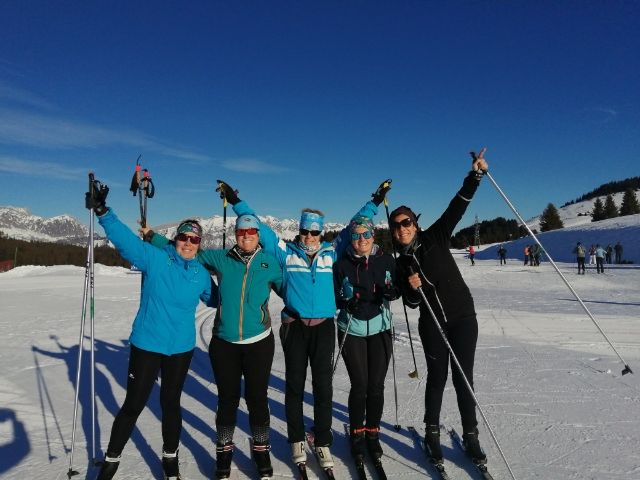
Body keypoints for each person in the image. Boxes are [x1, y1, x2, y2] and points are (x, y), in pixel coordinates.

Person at [216, 179, 388, 469]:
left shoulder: (332, 251)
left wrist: (375, 200)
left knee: (323, 387)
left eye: (314, 232)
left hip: (324, 327)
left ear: (321, 232)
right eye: (305, 231)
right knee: (294, 385)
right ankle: (296, 439)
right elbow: (258, 227)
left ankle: (322, 442)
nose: (309, 236)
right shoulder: (285, 252)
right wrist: (235, 201)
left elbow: (356, 224)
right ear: (300, 230)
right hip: (294, 326)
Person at [86, 179, 216, 480]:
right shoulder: (156, 259)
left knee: (171, 405)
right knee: (134, 404)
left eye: (194, 240)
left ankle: (170, 459)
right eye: (184, 237)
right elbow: (127, 243)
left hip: (181, 349)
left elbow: (218, 299)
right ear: (176, 239)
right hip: (147, 344)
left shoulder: (200, 275)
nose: (188, 243)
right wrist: (104, 211)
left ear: (199, 244)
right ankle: (111, 459)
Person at [144, 215, 283, 479]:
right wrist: (152, 237)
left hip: (259, 344)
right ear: (235, 233)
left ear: (259, 235)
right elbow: (187, 250)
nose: (246, 235)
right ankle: (224, 452)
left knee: (257, 399)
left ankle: (261, 451)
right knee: (227, 400)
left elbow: (290, 289)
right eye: (242, 231)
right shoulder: (220, 258)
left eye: (252, 231)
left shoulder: (270, 263)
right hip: (224, 344)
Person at [390, 150, 489, 464]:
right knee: (437, 378)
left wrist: (474, 176)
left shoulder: (437, 235)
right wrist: (413, 288)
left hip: (462, 316)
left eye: (406, 222)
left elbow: (457, 206)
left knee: (464, 379)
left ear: (415, 224)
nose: (402, 228)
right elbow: (410, 303)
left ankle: (471, 435)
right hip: (432, 323)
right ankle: (431, 433)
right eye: (396, 226)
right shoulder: (401, 263)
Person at [332, 216, 399, 462]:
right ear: (351, 237)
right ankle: (357, 435)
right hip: (352, 329)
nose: (362, 240)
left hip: (380, 327)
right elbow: (335, 297)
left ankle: (373, 434)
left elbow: (396, 288)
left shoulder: (386, 260)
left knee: (376, 386)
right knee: (360, 385)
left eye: (366, 235)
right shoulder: (342, 265)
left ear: (373, 236)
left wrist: (392, 292)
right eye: (357, 235)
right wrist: (345, 301)